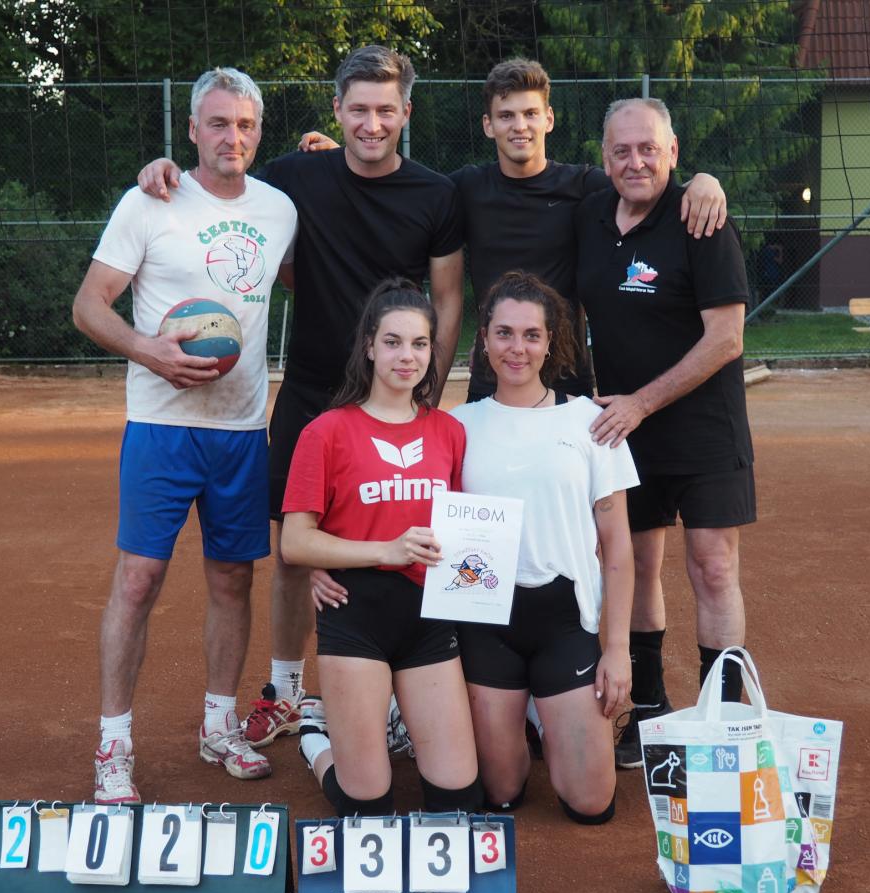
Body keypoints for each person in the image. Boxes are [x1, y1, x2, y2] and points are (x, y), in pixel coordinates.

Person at [136, 47, 464, 750]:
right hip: (313, 393)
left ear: (406, 113)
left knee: (402, 536)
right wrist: (162, 169)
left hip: (397, 399)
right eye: (358, 109)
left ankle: (398, 691)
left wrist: (425, 397)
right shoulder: (294, 176)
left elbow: (446, 298)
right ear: (337, 111)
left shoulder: (436, 194)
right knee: (291, 549)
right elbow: (220, 181)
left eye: (386, 110)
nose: (372, 124)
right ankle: (285, 692)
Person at [71, 68, 298, 800]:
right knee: (139, 580)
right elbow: (89, 305)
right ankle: (113, 745)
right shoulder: (150, 201)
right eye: (218, 123)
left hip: (241, 429)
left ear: (258, 132)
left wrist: (325, 161)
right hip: (161, 427)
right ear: (193, 129)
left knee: (233, 580)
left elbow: (304, 280)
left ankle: (218, 725)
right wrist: (149, 351)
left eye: (245, 125)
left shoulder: (280, 209)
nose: (233, 137)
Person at [299, 58, 729, 403]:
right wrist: (347, 154)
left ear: (549, 119)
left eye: (529, 114)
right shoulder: (465, 188)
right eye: (506, 115)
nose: (519, 126)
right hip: (491, 382)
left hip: (567, 383)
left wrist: (702, 181)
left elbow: (644, 180)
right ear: (488, 125)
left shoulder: (586, 187)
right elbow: (406, 186)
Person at [575, 98, 754, 770]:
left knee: (713, 565)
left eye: (649, 148)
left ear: (673, 152)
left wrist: (643, 403)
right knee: (637, 564)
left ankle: (723, 718)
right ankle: (647, 710)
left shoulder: (700, 217)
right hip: (625, 428)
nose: (636, 162)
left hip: (701, 426)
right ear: (603, 159)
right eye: (621, 150)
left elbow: (727, 338)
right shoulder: (589, 217)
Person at [279, 278, 481, 816]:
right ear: (368, 346)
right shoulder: (326, 431)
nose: (406, 356)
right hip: (355, 614)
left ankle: (391, 718)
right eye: (392, 342)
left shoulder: (449, 431)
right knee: (366, 805)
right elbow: (295, 542)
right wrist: (379, 551)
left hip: (428, 619)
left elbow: (462, 529)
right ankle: (317, 742)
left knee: (458, 798)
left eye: (419, 343)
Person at [450, 271, 637, 822]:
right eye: (504, 333)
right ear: (484, 340)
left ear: (551, 342)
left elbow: (617, 548)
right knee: (501, 791)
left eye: (532, 335)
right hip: (485, 618)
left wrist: (617, 649)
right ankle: (532, 713)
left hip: (563, 620)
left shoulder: (589, 423)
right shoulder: (456, 426)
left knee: (590, 802)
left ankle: (548, 711)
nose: (518, 348)